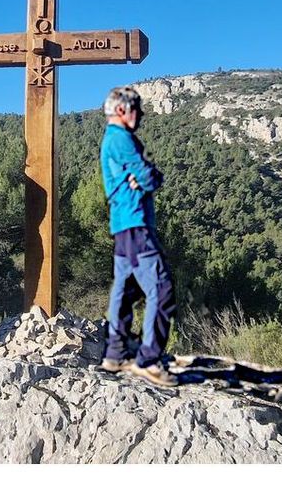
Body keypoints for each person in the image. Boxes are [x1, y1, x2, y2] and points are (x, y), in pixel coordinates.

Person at [98, 86, 177, 387]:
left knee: (126, 288)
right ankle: (150, 360)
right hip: (136, 223)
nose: (140, 115)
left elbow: (140, 177)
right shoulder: (122, 140)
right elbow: (147, 175)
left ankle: (115, 353)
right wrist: (149, 176)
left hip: (122, 225)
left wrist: (141, 178)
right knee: (162, 288)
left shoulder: (112, 140)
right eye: (137, 109)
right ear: (122, 110)